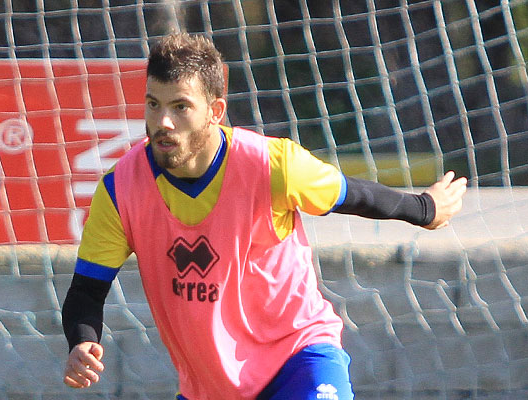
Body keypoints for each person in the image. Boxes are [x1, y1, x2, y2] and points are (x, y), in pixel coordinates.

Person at [61, 32, 467, 400]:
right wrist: (82, 341)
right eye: (153, 104)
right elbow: (86, 291)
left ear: (215, 110)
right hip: (212, 388)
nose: (162, 122)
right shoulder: (121, 189)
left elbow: (354, 194)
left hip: (299, 359)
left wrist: (426, 208)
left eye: (180, 106)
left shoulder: (272, 165)